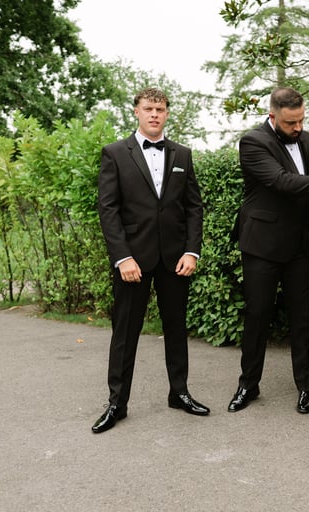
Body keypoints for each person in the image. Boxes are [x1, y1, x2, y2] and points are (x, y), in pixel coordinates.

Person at [228, 87, 309, 414]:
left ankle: (306, 387)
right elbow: (281, 181)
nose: (298, 127)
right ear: (273, 116)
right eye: (290, 122)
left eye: (301, 119)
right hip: (262, 245)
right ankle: (248, 384)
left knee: (303, 318)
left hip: (303, 244)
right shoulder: (253, 142)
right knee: (258, 315)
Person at [93, 87, 209, 434]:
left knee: (176, 328)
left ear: (167, 113)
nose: (154, 114)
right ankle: (117, 403)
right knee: (125, 333)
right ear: (136, 112)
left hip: (175, 258)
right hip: (133, 261)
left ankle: (180, 393)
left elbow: (193, 207)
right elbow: (108, 209)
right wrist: (122, 257)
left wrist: (192, 251)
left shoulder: (183, 154)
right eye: (148, 108)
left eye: (160, 108)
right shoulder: (115, 153)